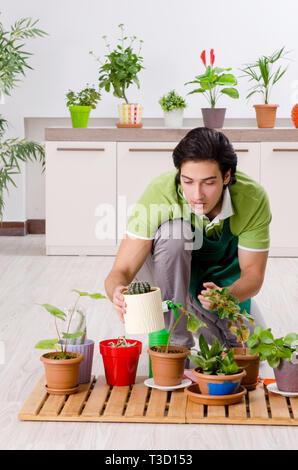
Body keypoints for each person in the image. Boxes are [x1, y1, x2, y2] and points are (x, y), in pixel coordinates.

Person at [105, 127, 271, 350]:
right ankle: (176, 344)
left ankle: (200, 321)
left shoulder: (252, 198)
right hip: (170, 278)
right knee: (175, 233)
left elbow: (253, 275)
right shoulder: (161, 192)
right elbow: (121, 270)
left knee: (250, 351)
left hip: (217, 286)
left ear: (227, 176)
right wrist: (117, 291)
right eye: (188, 181)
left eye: (209, 183)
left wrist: (225, 296)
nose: (197, 195)